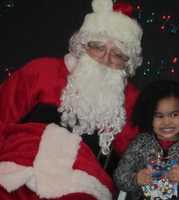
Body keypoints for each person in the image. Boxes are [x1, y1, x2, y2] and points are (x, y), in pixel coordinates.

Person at [0, 0, 143, 199]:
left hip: (83, 185)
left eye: (118, 54)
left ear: (127, 64)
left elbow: (153, 145)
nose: (105, 59)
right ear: (83, 45)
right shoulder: (42, 72)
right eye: (98, 47)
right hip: (17, 171)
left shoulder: (131, 101)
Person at [114, 80, 179, 200]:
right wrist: (136, 178)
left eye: (174, 115)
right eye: (159, 116)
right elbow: (119, 176)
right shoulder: (140, 143)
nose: (166, 122)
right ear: (149, 117)